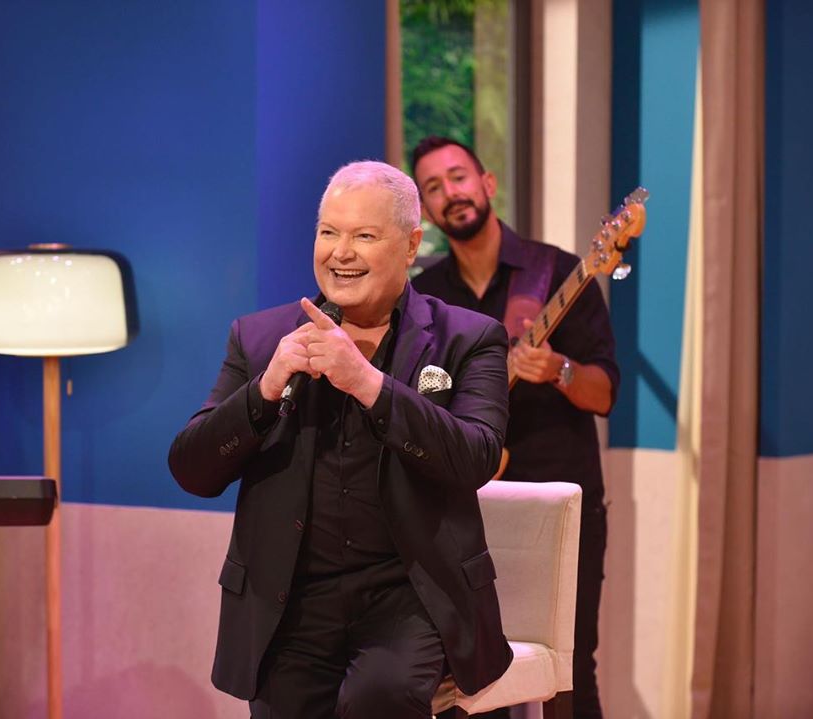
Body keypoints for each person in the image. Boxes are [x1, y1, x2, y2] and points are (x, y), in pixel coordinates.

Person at [169, 160, 513, 718]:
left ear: (411, 245)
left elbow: (476, 456)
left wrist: (368, 383)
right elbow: (193, 470)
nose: (341, 253)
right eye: (329, 232)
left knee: (381, 694)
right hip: (289, 603)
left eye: (365, 236)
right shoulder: (260, 339)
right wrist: (265, 389)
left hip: (411, 598)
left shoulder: (468, 338)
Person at [410, 137, 619, 719]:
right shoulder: (425, 296)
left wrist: (557, 369)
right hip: (467, 509)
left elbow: (604, 393)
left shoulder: (557, 272)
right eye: (433, 187)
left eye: (458, 176)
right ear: (426, 210)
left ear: (487, 183)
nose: (450, 193)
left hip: (562, 505)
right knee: (470, 673)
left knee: (570, 671)